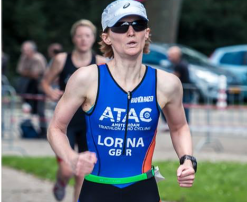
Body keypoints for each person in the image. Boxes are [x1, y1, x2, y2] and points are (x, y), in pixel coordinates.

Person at [47, 1, 196, 201]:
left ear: (147, 33)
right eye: (121, 26)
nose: (131, 31)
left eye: (138, 25)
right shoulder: (87, 78)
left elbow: (179, 127)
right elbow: (56, 128)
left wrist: (187, 159)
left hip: (144, 188)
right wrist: (72, 158)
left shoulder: (167, 83)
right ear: (106, 37)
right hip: (97, 189)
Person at [41, 20, 107, 202]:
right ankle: (61, 182)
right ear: (74, 38)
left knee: (83, 172)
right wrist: (50, 91)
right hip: (67, 121)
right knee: (67, 169)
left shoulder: (101, 62)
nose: (83, 39)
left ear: (94, 38)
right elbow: (45, 81)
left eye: (87, 35)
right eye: (80, 36)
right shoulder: (62, 59)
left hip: (89, 122)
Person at [17, 40, 47, 138]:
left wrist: (28, 73)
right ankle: (29, 130)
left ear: (32, 50)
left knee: (40, 110)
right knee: (27, 109)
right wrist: (30, 73)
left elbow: (36, 74)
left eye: (26, 50)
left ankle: (43, 131)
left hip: (39, 87)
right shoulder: (24, 57)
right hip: (29, 87)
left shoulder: (38, 58)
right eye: (23, 50)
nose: (24, 52)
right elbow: (20, 70)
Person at [167, 46, 192, 123]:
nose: (169, 57)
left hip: (183, 92)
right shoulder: (182, 63)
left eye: (171, 55)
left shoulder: (179, 65)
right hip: (184, 91)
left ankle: (183, 125)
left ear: (177, 55)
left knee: (184, 109)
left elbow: (174, 77)